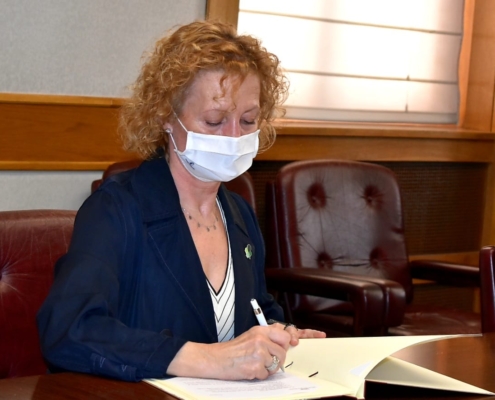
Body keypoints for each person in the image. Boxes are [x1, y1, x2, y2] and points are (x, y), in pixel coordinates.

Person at [37, 20, 325, 383]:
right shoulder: (115, 210)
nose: (234, 137)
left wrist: (281, 333)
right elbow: (69, 329)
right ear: (166, 117)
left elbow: (256, 309)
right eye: (215, 120)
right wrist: (204, 359)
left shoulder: (239, 213)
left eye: (248, 120)